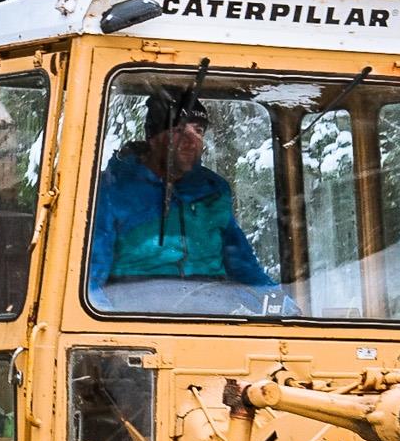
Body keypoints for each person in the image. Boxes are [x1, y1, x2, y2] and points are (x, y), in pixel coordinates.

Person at [88, 88, 274, 299]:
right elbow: (91, 279)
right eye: (179, 131)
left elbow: (242, 264)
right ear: (154, 138)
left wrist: (279, 303)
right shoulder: (113, 190)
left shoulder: (213, 190)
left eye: (198, 131)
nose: (191, 140)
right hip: (136, 316)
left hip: (213, 311)